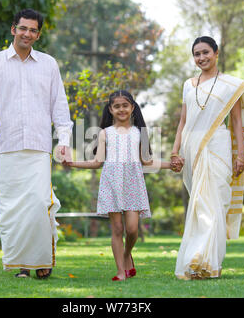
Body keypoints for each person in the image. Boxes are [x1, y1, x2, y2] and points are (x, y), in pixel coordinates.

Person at [0, 9, 73, 279]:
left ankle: (41, 259)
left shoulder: (49, 64)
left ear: (38, 35)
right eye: (23, 28)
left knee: (39, 204)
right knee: (13, 209)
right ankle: (22, 267)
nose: (27, 33)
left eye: (33, 30)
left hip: (39, 148)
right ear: (13, 29)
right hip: (7, 147)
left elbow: (59, 107)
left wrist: (64, 140)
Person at [63, 90, 171, 281]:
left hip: (133, 183)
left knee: (132, 229)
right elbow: (97, 162)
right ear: (111, 110)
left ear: (132, 108)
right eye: (117, 106)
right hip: (111, 182)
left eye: (125, 105)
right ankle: (121, 271)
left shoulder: (140, 133)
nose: (121, 109)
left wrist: (170, 164)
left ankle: (126, 253)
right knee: (117, 229)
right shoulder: (105, 133)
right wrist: (73, 163)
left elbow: (147, 161)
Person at [170, 36, 244, 280]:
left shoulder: (230, 85)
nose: (201, 58)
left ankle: (205, 260)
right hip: (192, 146)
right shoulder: (188, 85)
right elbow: (183, 121)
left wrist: (240, 155)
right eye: (197, 54)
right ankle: (199, 259)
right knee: (199, 204)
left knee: (217, 203)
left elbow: (236, 120)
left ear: (216, 53)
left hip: (218, 145)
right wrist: (176, 151)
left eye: (206, 52)